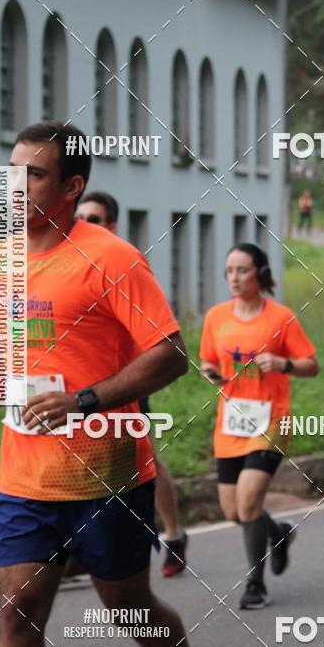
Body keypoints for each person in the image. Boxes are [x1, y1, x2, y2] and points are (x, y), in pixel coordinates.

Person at [0, 121, 221, 647]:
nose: (15, 186)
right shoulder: (3, 258)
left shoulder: (109, 257)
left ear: (72, 186)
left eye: (34, 175)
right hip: (25, 477)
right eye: (12, 170)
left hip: (108, 472)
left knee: (128, 606)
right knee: (19, 614)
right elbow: (12, 349)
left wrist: (83, 400)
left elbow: (171, 354)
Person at [75, 190, 189, 578]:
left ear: (111, 225)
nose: (83, 225)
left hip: (126, 383)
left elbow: (160, 339)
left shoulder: (120, 261)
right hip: (80, 389)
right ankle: (79, 544)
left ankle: (173, 534)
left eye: (93, 219)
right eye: (80, 217)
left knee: (145, 459)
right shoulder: (69, 263)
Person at [199, 243, 319, 610]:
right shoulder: (216, 317)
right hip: (231, 422)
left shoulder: (280, 317)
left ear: (260, 274)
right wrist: (211, 375)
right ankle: (279, 534)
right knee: (233, 511)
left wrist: (283, 365)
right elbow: (206, 361)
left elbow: (311, 365)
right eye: (230, 271)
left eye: (243, 270)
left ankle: (255, 584)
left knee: (249, 503)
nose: (234, 278)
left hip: (272, 421)